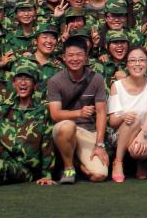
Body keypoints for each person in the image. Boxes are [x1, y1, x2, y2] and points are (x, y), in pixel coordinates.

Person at [46, 36, 109, 183]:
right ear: (64, 58)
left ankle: (76, 163)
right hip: (64, 129)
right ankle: (69, 168)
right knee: (67, 126)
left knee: (99, 175)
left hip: (87, 131)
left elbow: (101, 113)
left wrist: (99, 145)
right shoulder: (55, 81)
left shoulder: (97, 79)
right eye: (70, 55)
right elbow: (55, 114)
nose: (75, 59)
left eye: (79, 55)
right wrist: (79, 113)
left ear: (86, 57)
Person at [108, 46, 147, 182]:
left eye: (141, 60)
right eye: (133, 60)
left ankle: (141, 161)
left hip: (145, 133)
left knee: (138, 149)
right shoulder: (116, 86)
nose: (137, 64)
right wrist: (123, 116)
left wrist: (142, 135)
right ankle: (118, 161)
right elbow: (112, 122)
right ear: (127, 64)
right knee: (133, 119)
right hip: (120, 134)